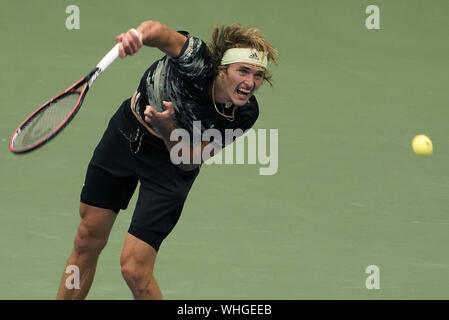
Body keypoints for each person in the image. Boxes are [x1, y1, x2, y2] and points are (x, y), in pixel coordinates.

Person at [56, 19, 278, 300]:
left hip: (170, 165)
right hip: (126, 135)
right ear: (222, 69)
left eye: (258, 75)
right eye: (243, 71)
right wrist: (137, 35)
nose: (250, 83)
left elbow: (188, 161)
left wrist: (168, 130)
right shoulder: (195, 59)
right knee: (87, 238)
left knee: (134, 269)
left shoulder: (243, 115)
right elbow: (158, 32)